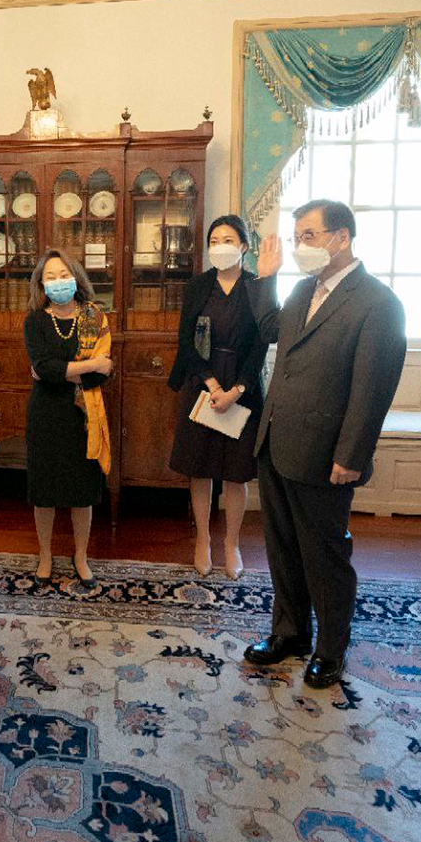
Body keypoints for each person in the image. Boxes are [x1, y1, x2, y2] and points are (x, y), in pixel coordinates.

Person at [243, 198, 406, 688]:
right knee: (283, 548)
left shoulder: (377, 303)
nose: (300, 246)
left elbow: (372, 388)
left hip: (325, 454)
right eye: (296, 237)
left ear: (342, 238)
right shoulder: (301, 291)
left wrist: (351, 455)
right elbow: (272, 330)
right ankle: (289, 634)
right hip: (276, 443)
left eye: (309, 236)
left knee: (325, 556)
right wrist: (265, 278)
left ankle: (331, 648)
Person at [168, 215, 268, 578]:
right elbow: (185, 342)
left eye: (228, 239)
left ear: (243, 246)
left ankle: (232, 544)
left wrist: (236, 390)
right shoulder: (197, 287)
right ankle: (203, 541)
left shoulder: (258, 287)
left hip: (243, 387)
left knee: (235, 474)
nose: (220, 246)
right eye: (214, 240)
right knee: (200, 469)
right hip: (202, 385)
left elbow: (260, 347)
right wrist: (212, 386)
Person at [24, 248, 112, 589]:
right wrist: (88, 365)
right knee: (43, 490)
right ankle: (45, 554)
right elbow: (44, 369)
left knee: (82, 491)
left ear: (75, 277)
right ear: (41, 286)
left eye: (63, 275)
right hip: (46, 414)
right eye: (51, 277)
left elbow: (100, 377)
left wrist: (64, 372)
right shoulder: (35, 321)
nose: (58, 281)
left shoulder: (94, 317)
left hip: (84, 415)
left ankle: (80, 556)